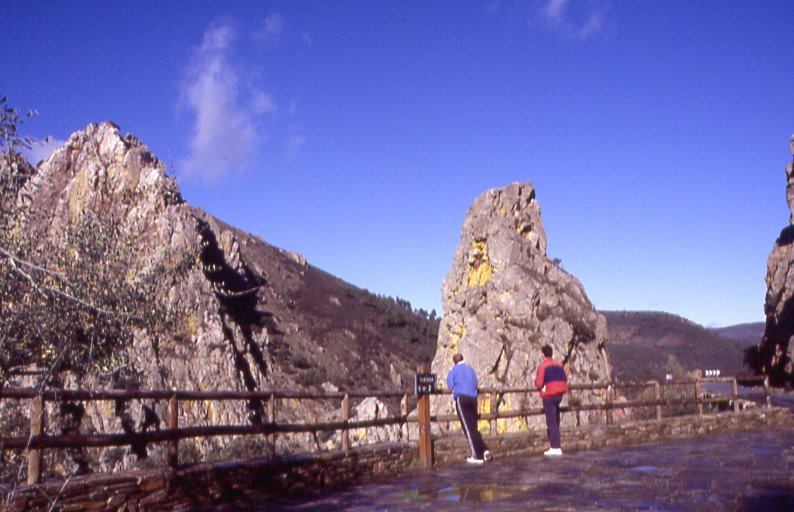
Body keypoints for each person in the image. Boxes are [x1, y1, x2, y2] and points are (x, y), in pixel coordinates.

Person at [446, 353, 491, 464]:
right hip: (473, 399)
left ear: (455, 361)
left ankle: (476, 456)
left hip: (462, 399)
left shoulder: (455, 369)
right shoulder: (470, 369)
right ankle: (484, 450)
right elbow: (475, 382)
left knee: (467, 428)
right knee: (473, 427)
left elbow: (450, 384)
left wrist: (451, 371)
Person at [535, 344, 568, 456]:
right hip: (559, 395)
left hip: (549, 395)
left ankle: (555, 446)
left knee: (551, 421)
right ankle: (556, 444)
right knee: (556, 419)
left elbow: (539, 383)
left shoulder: (543, 366)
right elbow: (565, 378)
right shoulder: (559, 365)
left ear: (543, 354)